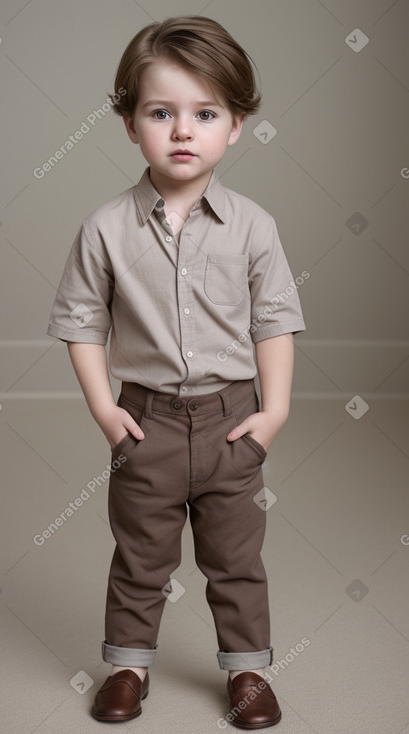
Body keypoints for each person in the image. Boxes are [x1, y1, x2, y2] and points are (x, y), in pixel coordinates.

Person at [47, 15, 306, 729]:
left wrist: (272, 412)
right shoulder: (105, 228)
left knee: (236, 561)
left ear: (235, 126)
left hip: (231, 424)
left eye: (205, 113)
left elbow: (274, 320)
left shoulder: (254, 226)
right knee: (139, 558)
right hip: (147, 423)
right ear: (131, 124)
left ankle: (247, 671)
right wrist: (107, 415)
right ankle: (128, 667)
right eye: (161, 113)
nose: (182, 131)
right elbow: (81, 323)